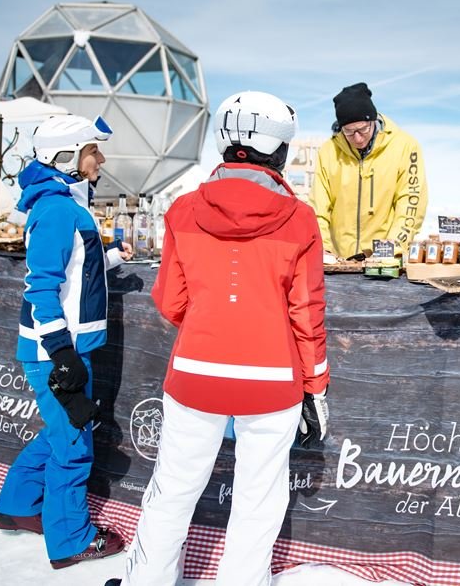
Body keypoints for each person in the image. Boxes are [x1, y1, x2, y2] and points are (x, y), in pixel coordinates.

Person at [110, 92, 329, 586]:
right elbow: (307, 314)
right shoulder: (298, 219)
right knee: (258, 498)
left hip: (195, 374)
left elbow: (170, 302)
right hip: (272, 382)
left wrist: (213, 317)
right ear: (277, 151)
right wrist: (315, 387)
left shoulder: (184, 210)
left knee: (173, 490)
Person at [0, 114, 132, 570]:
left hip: (64, 345)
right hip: (59, 350)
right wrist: (62, 353)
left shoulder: (64, 203)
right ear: (68, 157)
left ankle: (17, 506)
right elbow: (41, 285)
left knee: (60, 433)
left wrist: (109, 258)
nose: (101, 158)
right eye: (94, 150)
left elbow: (74, 269)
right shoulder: (56, 209)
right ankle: (71, 539)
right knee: (74, 444)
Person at [310, 82, 428, 259]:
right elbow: (318, 206)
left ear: (373, 120)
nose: (357, 138)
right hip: (339, 260)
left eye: (362, 129)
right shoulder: (329, 151)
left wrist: (391, 248)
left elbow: (411, 200)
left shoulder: (405, 146)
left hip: (385, 259)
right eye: (349, 132)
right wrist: (323, 249)